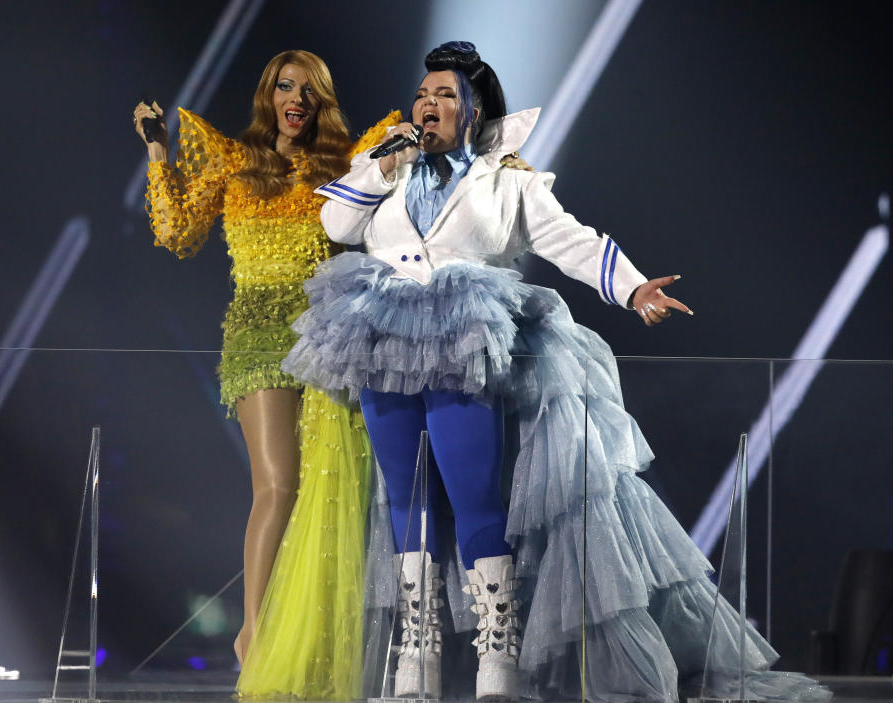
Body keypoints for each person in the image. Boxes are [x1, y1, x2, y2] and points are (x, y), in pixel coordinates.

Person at [282, 41, 831, 702]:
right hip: (381, 332)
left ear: (475, 108)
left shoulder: (507, 180)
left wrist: (631, 288)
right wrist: (383, 162)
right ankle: (416, 654)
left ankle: (496, 656)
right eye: (423, 94)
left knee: (474, 494)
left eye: (445, 95)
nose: (428, 105)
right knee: (405, 498)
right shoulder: (389, 169)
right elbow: (335, 220)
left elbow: (570, 237)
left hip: (463, 333)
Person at [134, 49, 399, 697]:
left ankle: (303, 640)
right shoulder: (232, 161)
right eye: (286, 86)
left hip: (327, 336)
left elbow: (411, 163)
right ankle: (251, 628)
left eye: (309, 90)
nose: (297, 99)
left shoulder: (344, 166)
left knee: (328, 492)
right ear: (268, 95)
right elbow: (173, 231)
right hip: (257, 333)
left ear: (322, 101)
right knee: (278, 485)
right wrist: (158, 153)